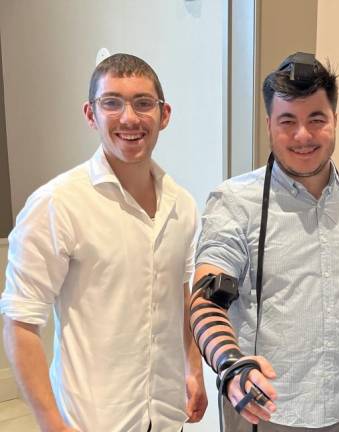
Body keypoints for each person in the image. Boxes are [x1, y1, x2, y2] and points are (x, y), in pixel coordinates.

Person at [0, 53, 207, 432]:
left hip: (165, 417)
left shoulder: (183, 205)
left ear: (164, 115)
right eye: (112, 102)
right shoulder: (57, 204)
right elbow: (19, 322)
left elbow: (181, 294)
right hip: (90, 422)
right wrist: (50, 423)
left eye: (143, 103)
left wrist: (193, 368)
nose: (129, 117)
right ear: (91, 114)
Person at [189, 52, 339, 432]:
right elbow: (206, 298)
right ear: (269, 124)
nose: (302, 135)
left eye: (316, 119)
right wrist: (230, 365)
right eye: (288, 121)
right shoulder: (234, 202)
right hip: (264, 410)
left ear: (335, 120)